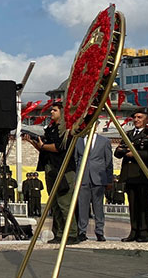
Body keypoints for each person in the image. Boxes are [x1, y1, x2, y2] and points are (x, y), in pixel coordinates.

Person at [27, 102, 78, 244]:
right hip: (51, 168)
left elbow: (58, 148)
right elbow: (45, 150)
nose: (51, 113)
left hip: (63, 169)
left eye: (54, 110)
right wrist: (35, 143)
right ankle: (59, 233)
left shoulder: (67, 130)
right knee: (55, 204)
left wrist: (43, 145)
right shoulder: (51, 129)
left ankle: (72, 233)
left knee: (64, 203)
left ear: (62, 112)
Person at [116, 108, 148, 242]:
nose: (136, 120)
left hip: (143, 175)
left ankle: (144, 232)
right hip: (129, 175)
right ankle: (134, 231)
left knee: (144, 206)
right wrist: (126, 151)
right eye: (135, 117)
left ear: (146, 119)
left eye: (140, 117)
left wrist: (134, 154)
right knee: (133, 205)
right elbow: (118, 152)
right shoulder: (128, 134)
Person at [74, 132, 113, 242]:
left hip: (98, 178)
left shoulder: (104, 141)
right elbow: (75, 160)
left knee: (98, 206)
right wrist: (76, 178)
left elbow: (109, 162)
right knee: (82, 206)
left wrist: (109, 180)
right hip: (83, 177)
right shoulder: (79, 140)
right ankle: (82, 231)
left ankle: (99, 231)